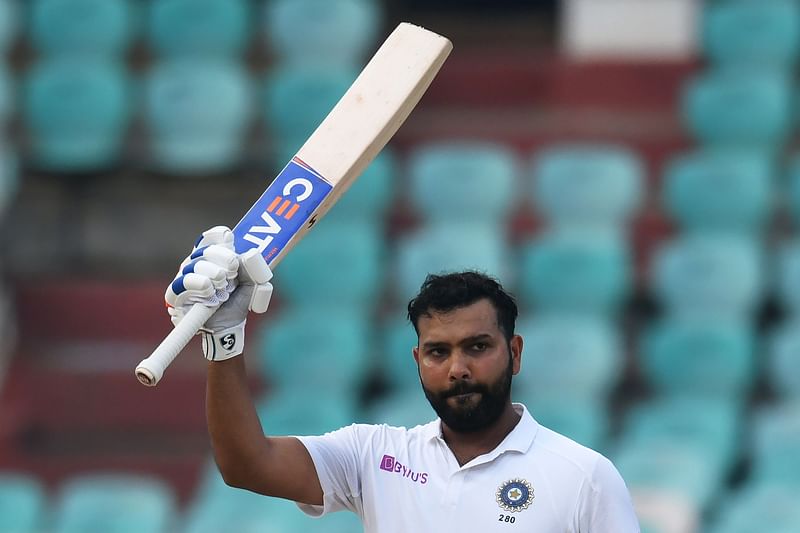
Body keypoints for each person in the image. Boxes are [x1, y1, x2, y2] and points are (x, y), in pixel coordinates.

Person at [166, 226, 641, 532]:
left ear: (513, 353)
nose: (458, 369)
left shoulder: (584, 476)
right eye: (438, 352)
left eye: (478, 347)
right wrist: (224, 337)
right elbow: (248, 465)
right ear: (417, 361)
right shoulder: (376, 455)